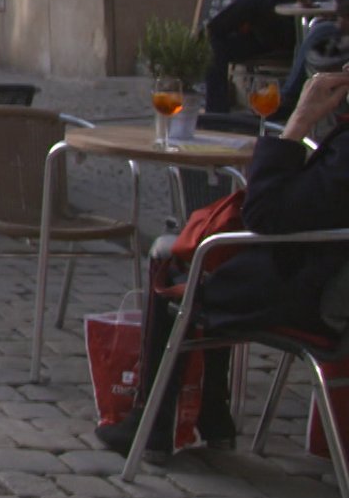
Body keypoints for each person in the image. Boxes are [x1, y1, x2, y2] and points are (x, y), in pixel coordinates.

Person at [96, 67, 349, 461]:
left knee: (179, 267)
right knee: (220, 263)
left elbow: (265, 215)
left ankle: (153, 425)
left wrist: (299, 122)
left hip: (313, 296)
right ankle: (214, 417)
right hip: (317, 277)